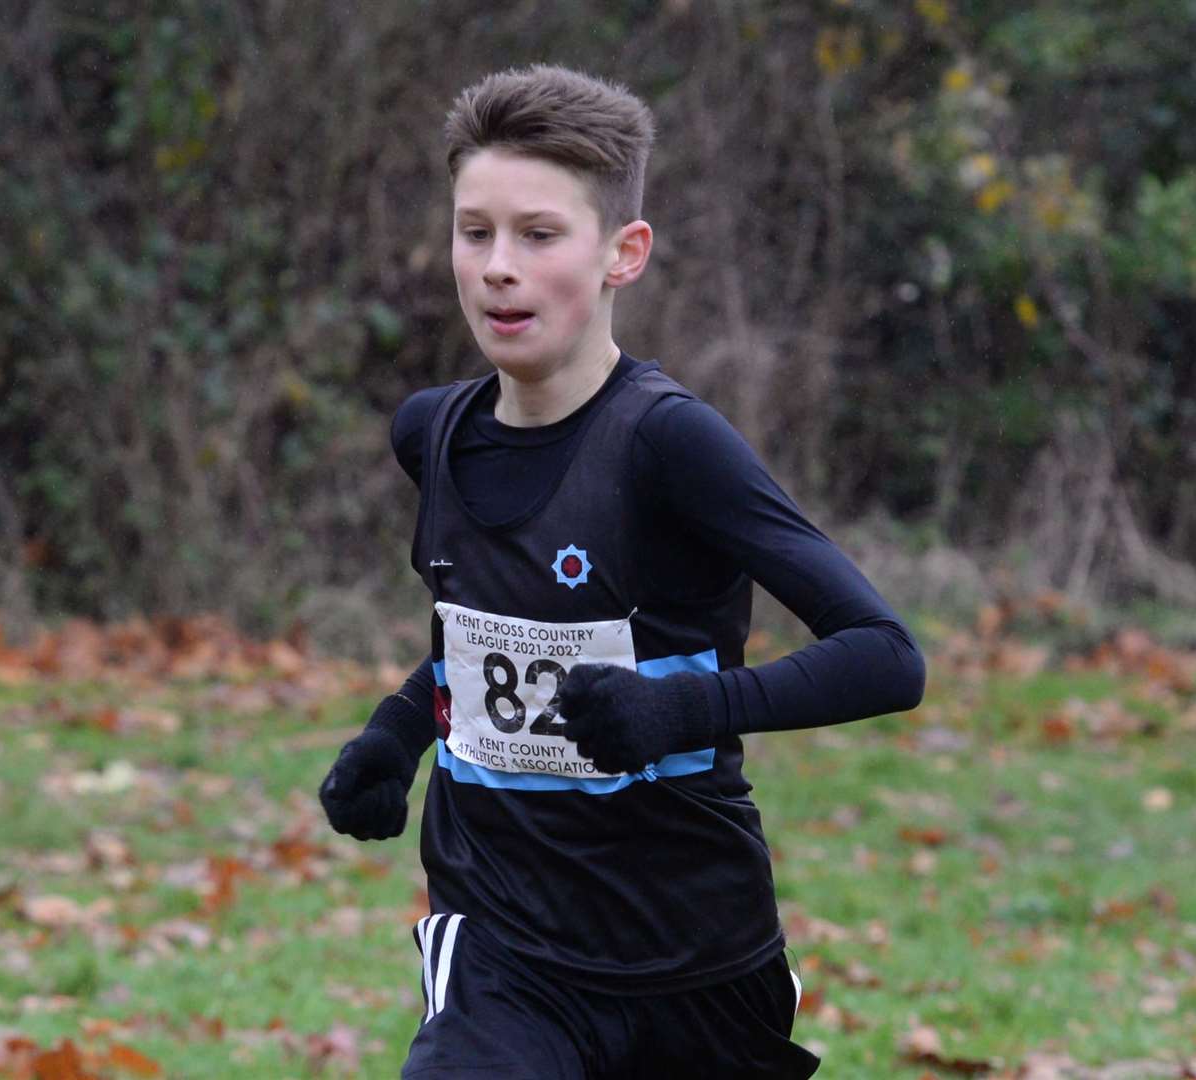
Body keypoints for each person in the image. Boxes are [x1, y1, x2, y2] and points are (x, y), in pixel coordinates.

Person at [318, 64, 925, 1079]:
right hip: (503, 950)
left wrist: (675, 712)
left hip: (690, 956)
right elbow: (481, 641)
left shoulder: (669, 444)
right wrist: (395, 732)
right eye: (475, 232)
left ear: (621, 254)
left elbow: (885, 657)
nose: (497, 268)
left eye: (538, 234)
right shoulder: (431, 434)